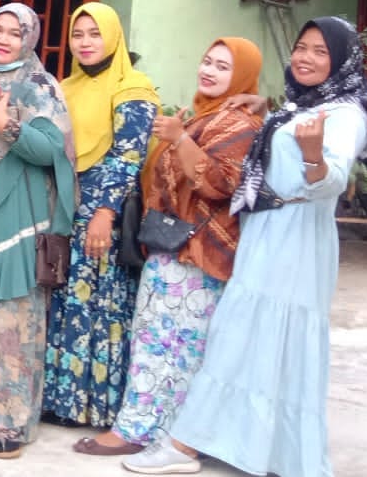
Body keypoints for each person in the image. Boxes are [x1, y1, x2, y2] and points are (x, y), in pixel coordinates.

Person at [126, 18, 367, 477]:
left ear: (342, 61)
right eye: (302, 47)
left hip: (295, 236)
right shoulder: (304, 105)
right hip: (267, 227)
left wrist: (314, 155)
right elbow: (285, 144)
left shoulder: (346, 115)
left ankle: (185, 444)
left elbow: (332, 180)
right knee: (251, 334)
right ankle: (259, 447)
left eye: (321, 51)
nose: (306, 57)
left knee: (249, 333)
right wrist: (269, 107)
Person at [74, 38, 264, 457]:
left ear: (243, 77)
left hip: (197, 252)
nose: (209, 71)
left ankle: (139, 431)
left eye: (223, 67)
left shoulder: (240, 124)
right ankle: (156, 429)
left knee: (170, 347)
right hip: (171, 247)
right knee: (158, 341)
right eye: (207, 61)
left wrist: (179, 140)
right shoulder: (205, 115)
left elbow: (219, 184)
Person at [0, 3, 76, 460]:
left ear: (28, 40)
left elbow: (52, 152)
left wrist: (4, 124)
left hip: (21, 211)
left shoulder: (40, 85)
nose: (3, 39)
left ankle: (8, 420)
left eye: (15, 32)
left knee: (12, 311)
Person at [45, 2, 158, 427]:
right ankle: (62, 402)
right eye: (78, 34)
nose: (85, 42)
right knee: (66, 299)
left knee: (101, 303)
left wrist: (105, 212)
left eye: (95, 33)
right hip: (67, 206)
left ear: (112, 37)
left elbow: (129, 154)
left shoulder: (133, 87)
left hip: (104, 212)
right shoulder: (66, 87)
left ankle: (96, 405)